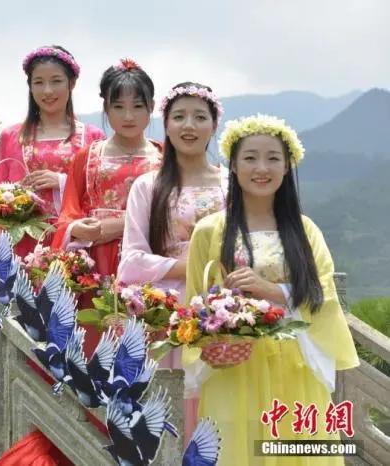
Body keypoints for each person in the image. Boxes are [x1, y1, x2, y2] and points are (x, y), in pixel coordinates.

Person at [185, 114, 359, 465]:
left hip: (296, 364)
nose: (261, 168)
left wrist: (273, 291)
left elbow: (324, 291)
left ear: (287, 165)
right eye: (250, 158)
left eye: (273, 158)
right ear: (233, 165)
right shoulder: (209, 231)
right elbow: (194, 301)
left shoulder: (305, 231)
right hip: (235, 366)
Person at [116, 82, 228, 440]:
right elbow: (131, 261)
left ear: (214, 124)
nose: (189, 126)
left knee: (218, 412)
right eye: (179, 117)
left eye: (200, 117)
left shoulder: (231, 184)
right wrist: (196, 268)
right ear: (165, 124)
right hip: (166, 313)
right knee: (168, 417)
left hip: (221, 311)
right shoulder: (147, 186)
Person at [53, 58, 162, 277]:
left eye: (137, 106)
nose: (128, 116)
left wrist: (120, 225)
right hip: (96, 260)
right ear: (106, 108)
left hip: (150, 256)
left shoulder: (165, 157)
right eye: (118, 107)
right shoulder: (86, 157)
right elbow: (69, 212)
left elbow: (176, 214)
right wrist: (76, 228)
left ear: (151, 106)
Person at [0, 45, 104, 255]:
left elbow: (99, 197)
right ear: (30, 86)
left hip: (75, 246)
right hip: (22, 246)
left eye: (56, 81)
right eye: (39, 82)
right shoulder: (11, 136)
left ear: (72, 83)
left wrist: (62, 182)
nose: (47, 91)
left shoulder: (92, 137)